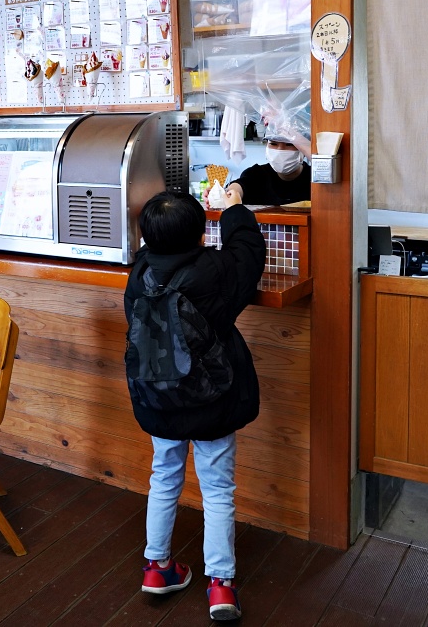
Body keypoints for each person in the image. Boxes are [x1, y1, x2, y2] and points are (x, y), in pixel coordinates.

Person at [124, 191, 266, 621]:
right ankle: (220, 586)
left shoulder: (140, 272)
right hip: (212, 399)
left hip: (158, 397)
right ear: (202, 230)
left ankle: (157, 568)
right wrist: (235, 205)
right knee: (217, 490)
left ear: (146, 234)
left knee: (164, 477)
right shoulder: (216, 270)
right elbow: (250, 252)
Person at [226, 133, 311, 206]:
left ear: (303, 150)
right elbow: (240, 186)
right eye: (273, 144)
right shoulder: (256, 174)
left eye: (289, 144)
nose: (280, 150)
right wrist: (231, 193)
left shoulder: (314, 179)